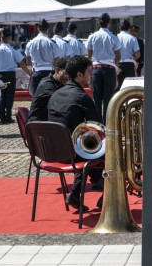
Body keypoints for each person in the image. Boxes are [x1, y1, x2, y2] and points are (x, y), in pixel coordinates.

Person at [47, 55, 104, 210]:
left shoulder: (56, 94)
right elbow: (99, 128)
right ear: (79, 75)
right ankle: (106, 193)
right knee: (112, 150)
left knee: (86, 149)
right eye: (89, 72)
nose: (91, 75)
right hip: (72, 155)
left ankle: (78, 193)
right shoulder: (82, 97)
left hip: (52, 152)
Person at [86, 13, 121, 122]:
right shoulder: (113, 37)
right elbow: (118, 56)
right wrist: (113, 64)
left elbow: (89, 55)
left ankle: (97, 122)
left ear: (99, 23)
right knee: (108, 98)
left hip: (96, 67)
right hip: (109, 68)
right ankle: (107, 123)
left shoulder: (92, 36)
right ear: (109, 23)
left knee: (97, 98)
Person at [0, 28, 28, 124]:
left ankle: (1, 117)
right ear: (9, 39)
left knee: (1, 96)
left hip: (0, 74)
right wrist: (29, 73)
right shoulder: (13, 50)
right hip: (10, 74)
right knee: (9, 97)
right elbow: (22, 64)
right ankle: (8, 116)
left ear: (1, 39)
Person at [27, 56, 69, 123]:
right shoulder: (47, 84)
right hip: (38, 125)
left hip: (49, 122)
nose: (68, 77)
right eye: (66, 73)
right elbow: (62, 103)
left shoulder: (60, 83)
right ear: (57, 70)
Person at [25, 19, 57, 96]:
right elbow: (56, 60)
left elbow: (28, 60)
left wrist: (33, 66)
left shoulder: (31, 43)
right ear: (48, 29)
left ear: (38, 29)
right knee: (50, 97)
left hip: (37, 71)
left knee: (35, 97)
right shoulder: (52, 42)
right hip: (49, 72)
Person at [116, 19, 141, 88]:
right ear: (129, 28)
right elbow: (138, 54)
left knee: (118, 87)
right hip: (129, 64)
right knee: (129, 87)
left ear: (119, 28)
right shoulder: (133, 38)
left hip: (118, 64)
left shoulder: (115, 38)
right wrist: (133, 59)